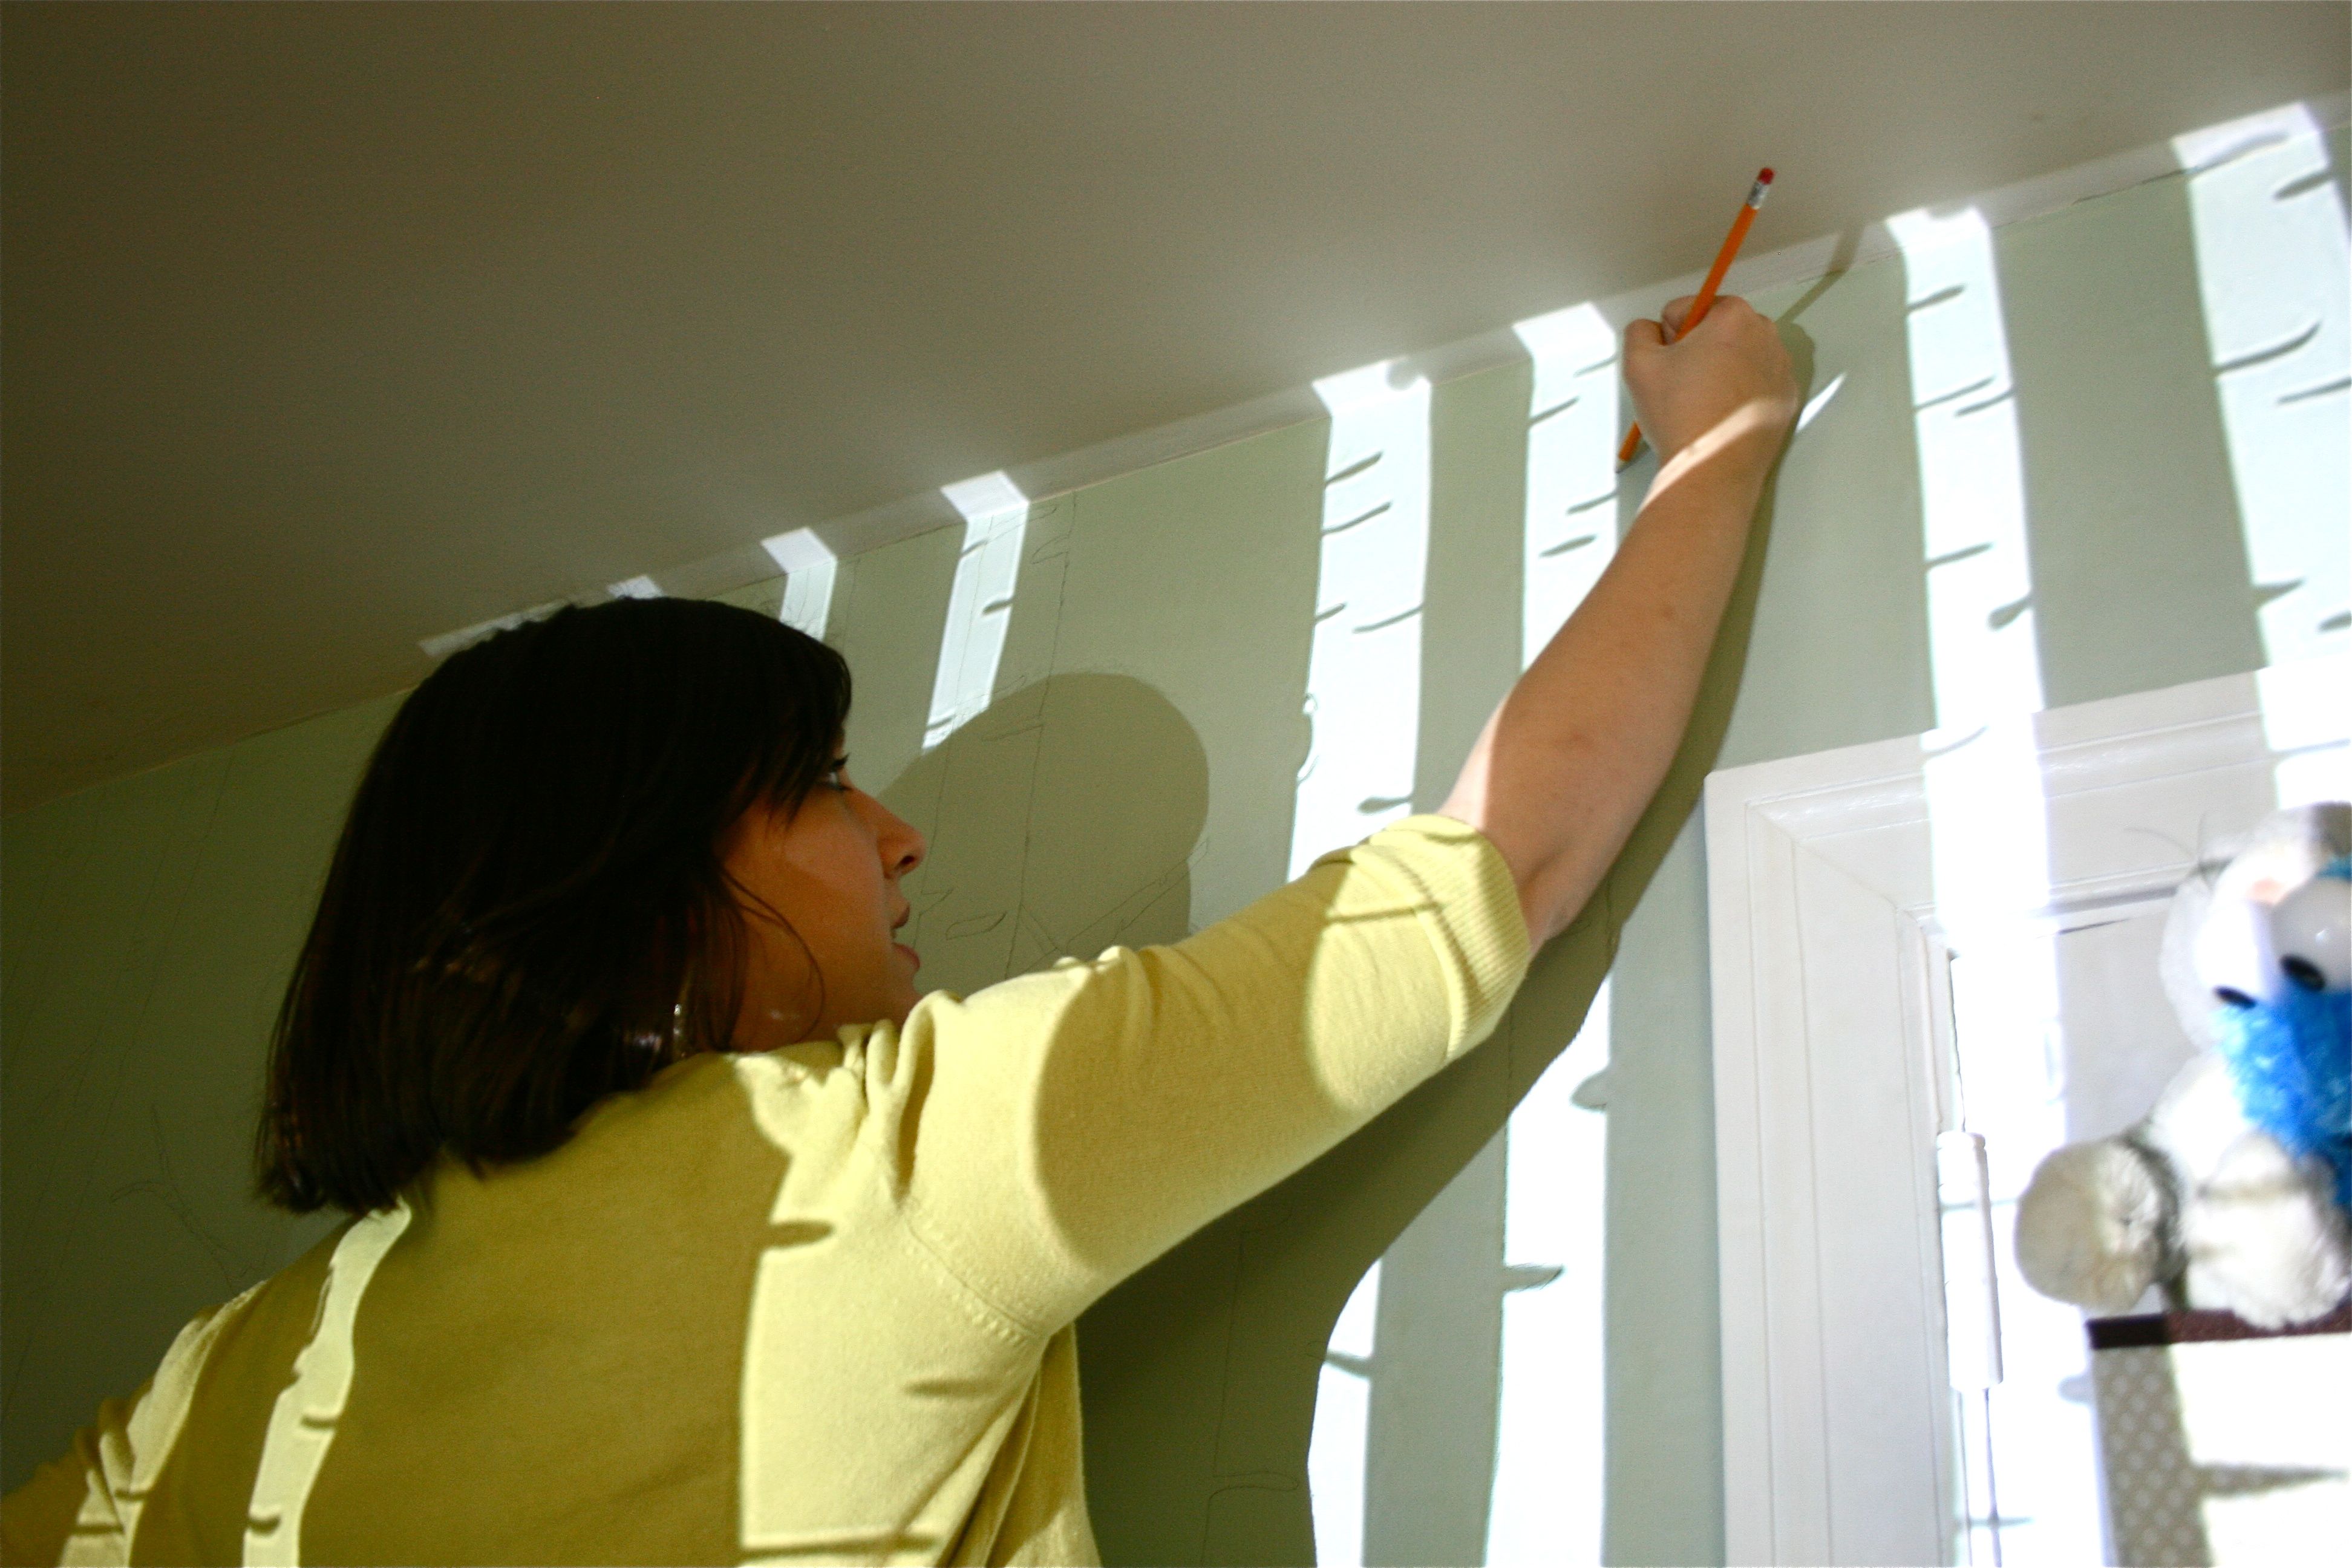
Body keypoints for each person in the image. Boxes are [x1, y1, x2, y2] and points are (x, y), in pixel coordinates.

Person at [1, 296, 1796, 1566]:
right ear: (637, 873)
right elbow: (1500, 869)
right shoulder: (894, 1160)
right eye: (826, 785)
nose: (901, 836)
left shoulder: (238, 1379)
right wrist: (1728, 430)